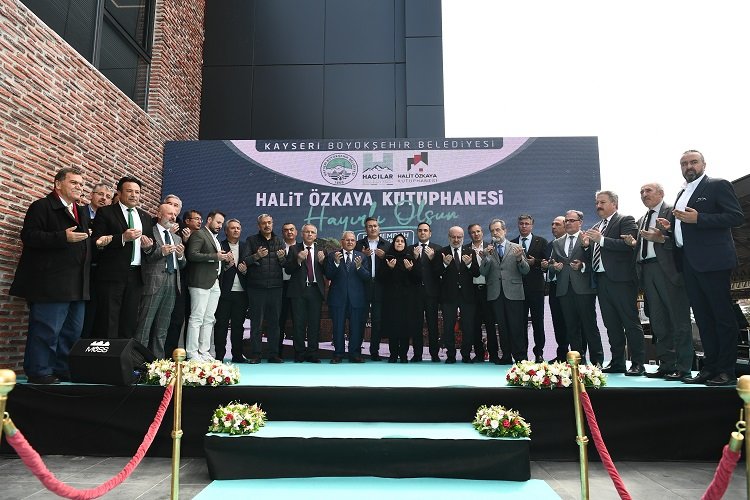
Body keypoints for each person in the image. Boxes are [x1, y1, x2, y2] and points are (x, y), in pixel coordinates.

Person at [660, 150, 744, 386]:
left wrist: (700, 219)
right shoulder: (681, 193)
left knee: (721, 317)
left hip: (713, 261)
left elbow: (735, 217)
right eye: (684, 163)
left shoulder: (717, 185)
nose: (689, 166)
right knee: (703, 319)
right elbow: (686, 226)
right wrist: (671, 228)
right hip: (689, 262)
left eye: (693, 162)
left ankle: (727, 370)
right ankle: (710, 367)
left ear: (704, 164)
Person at [10, 167, 91, 384]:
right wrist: (62, 237)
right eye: (74, 182)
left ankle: (62, 369)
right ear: (58, 184)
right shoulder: (41, 206)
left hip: (78, 283)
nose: (79, 187)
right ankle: (39, 371)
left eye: (81, 184)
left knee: (72, 331)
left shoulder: (81, 211)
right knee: (46, 330)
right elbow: (29, 236)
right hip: (50, 282)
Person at [618, 183, 694, 380]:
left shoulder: (673, 212)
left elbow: (684, 239)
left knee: (678, 321)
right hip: (647, 271)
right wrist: (634, 244)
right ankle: (666, 364)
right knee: (658, 322)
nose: (644, 194)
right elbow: (646, 246)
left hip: (668, 271)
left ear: (661, 193)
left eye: (648, 191)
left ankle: (684, 367)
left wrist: (663, 239)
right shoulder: (642, 218)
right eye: (641, 192)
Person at [584, 190, 645, 376]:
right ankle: (618, 362)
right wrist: (587, 246)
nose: (598, 206)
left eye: (602, 202)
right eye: (597, 203)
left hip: (621, 280)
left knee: (630, 322)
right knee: (611, 324)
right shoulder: (596, 226)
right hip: (602, 280)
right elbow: (596, 253)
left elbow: (628, 246)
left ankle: (638, 363)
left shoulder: (625, 220)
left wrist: (601, 240)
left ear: (614, 204)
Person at [91, 175, 154, 339]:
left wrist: (148, 248)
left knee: (129, 321)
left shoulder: (145, 217)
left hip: (136, 276)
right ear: (119, 193)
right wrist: (122, 238)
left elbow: (150, 246)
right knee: (108, 320)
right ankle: (107, 354)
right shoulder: (106, 212)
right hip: (112, 275)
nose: (134, 195)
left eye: (137, 192)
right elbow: (96, 241)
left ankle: (123, 355)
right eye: (129, 191)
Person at [550, 210, 603, 366]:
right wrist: (555, 267)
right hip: (564, 289)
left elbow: (595, 261)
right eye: (566, 220)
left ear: (580, 222)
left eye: (572, 220)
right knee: (571, 327)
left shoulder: (588, 238)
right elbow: (552, 264)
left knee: (589, 325)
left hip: (584, 289)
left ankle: (597, 360)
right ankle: (577, 362)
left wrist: (583, 265)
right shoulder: (557, 242)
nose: (568, 223)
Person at [134, 203, 186, 358]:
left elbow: (182, 264)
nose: (173, 217)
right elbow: (146, 257)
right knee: (144, 324)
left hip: (172, 283)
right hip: (153, 283)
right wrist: (160, 252)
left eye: (175, 214)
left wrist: (180, 256)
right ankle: (139, 361)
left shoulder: (177, 237)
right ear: (159, 214)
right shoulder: (149, 231)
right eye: (169, 214)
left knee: (163, 327)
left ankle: (158, 361)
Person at [480, 218, 530, 363]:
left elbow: (526, 270)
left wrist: (520, 258)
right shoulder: (488, 250)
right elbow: (483, 272)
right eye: (492, 231)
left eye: (498, 230)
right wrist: (486, 257)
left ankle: (520, 357)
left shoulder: (516, 247)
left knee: (516, 326)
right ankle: (506, 356)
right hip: (496, 293)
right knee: (502, 327)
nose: (495, 233)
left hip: (514, 292)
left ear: (505, 231)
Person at [185, 211, 232, 361]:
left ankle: (204, 351)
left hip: (214, 282)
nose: (220, 226)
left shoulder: (215, 239)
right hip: (200, 282)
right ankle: (192, 353)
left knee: (209, 318)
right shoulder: (199, 234)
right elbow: (192, 254)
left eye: (221, 223)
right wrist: (215, 256)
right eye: (218, 222)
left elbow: (215, 260)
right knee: (197, 318)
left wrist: (225, 260)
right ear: (209, 220)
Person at [243, 213, 286, 363]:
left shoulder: (279, 240)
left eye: (269, 222)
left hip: (275, 287)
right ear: (259, 225)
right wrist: (256, 256)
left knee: (274, 323)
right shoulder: (251, 240)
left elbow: (285, 264)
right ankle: (256, 354)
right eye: (264, 223)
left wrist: (282, 258)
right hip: (257, 288)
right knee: (257, 323)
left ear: (272, 224)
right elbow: (244, 261)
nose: (267, 225)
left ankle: (273, 354)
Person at [325, 231, 371, 363]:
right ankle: (338, 354)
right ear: (342, 241)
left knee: (356, 328)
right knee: (338, 327)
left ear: (355, 242)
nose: (350, 242)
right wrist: (336, 263)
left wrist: (359, 267)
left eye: (352, 240)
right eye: (347, 240)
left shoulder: (361, 256)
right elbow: (328, 275)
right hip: (338, 298)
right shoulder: (333, 255)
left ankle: (354, 354)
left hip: (356, 299)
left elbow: (367, 277)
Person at [285, 223, 326, 363]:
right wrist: (298, 260)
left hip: (315, 290)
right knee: (298, 324)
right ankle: (300, 353)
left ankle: (313, 353)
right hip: (298, 291)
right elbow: (288, 270)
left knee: (314, 324)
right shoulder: (294, 249)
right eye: (307, 232)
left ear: (316, 235)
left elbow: (328, 272)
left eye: (312, 232)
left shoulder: (321, 250)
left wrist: (323, 262)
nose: (309, 234)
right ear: (302, 234)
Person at [511, 214, 548, 363]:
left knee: (538, 322)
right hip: (518, 289)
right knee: (520, 324)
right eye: (521, 223)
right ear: (518, 225)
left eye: (527, 223)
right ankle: (522, 355)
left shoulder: (541, 241)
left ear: (532, 225)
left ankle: (539, 353)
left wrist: (535, 262)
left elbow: (547, 262)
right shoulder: (512, 243)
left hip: (536, 289)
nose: (524, 226)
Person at [439, 226, 479, 363]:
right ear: (449, 237)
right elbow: (435, 273)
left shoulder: (470, 252)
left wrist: (469, 265)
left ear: (463, 237)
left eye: (459, 237)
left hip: (467, 296)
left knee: (468, 326)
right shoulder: (442, 252)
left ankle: (466, 355)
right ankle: (450, 355)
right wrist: (444, 264)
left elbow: (477, 273)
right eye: (453, 237)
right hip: (448, 295)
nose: (456, 240)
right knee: (448, 326)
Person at [164, 209, 201, 358]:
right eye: (196, 218)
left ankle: (186, 354)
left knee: (191, 318)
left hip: (195, 283)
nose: (199, 221)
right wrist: (185, 241)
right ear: (187, 221)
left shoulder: (202, 235)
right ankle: (168, 354)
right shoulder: (177, 233)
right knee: (175, 319)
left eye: (200, 219)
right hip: (177, 281)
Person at [378, 234, 420, 362]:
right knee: (393, 327)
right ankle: (393, 354)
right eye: (397, 241)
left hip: (407, 300)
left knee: (405, 328)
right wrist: (389, 269)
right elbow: (381, 278)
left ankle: (403, 355)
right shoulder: (388, 258)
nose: (400, 243)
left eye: (402, 241)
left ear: (405, 244)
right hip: (391, 299)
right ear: (393, 243)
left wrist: (411, 269)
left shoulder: (410, 258)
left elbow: (418, 279)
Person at [213, 218, 249, 363]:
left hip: (242, 292)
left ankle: (237, 355)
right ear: (226, 231)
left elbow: (254, 266)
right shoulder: (219, 245)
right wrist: (226, 266)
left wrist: (246, 271)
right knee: (221, 325)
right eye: (232, 228)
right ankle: (219, 356)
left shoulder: (246, 246)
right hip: (224, 292)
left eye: (238, 228)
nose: (236, 230)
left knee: (238, 326)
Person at [81, 182, 113, 338]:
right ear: (91, 195)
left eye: (108, 196)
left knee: (93, 312)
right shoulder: (79, 212)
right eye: (100, 194)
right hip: (79, 268)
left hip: (99, 270)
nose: (104, 199)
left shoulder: (110, 218)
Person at [408, 222, 442, 362]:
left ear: (430, 233)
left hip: (431, 293)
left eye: (425, 230)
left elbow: (440, 272)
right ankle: (417, 354)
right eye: (420, 230)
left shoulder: (437, 249)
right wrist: (415, 258)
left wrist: (433, 258)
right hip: (415, 293)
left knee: (433, 324)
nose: (423, 232)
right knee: (416, 324)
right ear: (417, 233)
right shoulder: (410, 249)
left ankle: (434, 354)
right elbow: (408, 273)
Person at [541, 216, 573, 362]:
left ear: (565, 226)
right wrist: (545, 266)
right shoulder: (550, 245)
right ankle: (562, 355)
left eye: (557, 224)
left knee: (571, 321)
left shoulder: (571, 243)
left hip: (568, 287)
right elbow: (547, 265)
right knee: (558, 321)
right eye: (552, 224)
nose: (553, 226)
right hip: (553, 288)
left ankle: (577, 355)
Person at [357, 217, 389, 361]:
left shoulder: (387, 245)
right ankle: (356, 350)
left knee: (377, 321)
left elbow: (393, 265)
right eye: (369, 226)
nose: (373, 228)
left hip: (380, 286)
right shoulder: (359, 245)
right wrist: (362, 255)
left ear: (379, 228)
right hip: (362, 286)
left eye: (375, 226)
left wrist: (385, 256)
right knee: (360, 319)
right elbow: (352, 263)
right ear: (366, 229)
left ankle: (374, 352)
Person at [467, 223, 498, 362]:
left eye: (478, 231)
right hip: (472, 290)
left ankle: (494, 354)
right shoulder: (466, 249)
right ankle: (479, 354)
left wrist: (487, 256)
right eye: (473, 232)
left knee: (490, 324)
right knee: (475, 324)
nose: (476, 234)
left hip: (488, 290)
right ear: (470, 235)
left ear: (482, 233)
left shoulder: (491, 247)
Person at [279, 222, 298, 354]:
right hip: (281, 287)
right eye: (286, 230)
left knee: (298, 320)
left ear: (296, 232)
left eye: (291, 229)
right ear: (282, 233)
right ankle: (277, 352)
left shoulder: (302, 248)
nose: (289, 232)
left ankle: (299, 352)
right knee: (280, 320)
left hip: (297, 286)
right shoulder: (278, 248)